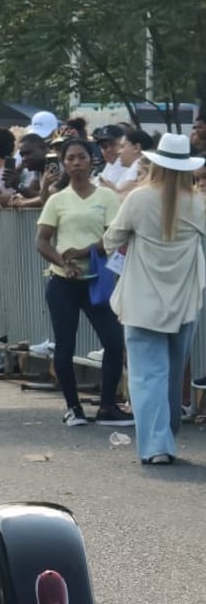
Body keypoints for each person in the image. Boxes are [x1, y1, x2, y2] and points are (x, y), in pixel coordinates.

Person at [103, 133, 206, 464]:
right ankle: (169, 432)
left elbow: (112, 239)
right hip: (184, 299)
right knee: (174, 372)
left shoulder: (138, 198)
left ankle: (157, 445)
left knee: (148, 375)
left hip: (142, 298)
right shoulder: (198, 202)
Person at [34, 138, 129, 427]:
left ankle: (108, 406)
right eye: (70, 158)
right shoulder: (57, 199)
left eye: (81, 157)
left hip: (96, 281)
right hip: (63, 281)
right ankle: (73, 407)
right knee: (65, 343)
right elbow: (42, 240)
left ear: (92, 161)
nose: (76, 162)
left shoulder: (107, 198)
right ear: (64, 163)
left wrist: (87, 251)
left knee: (113, 341)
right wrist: (64, 262)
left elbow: (114, 238)